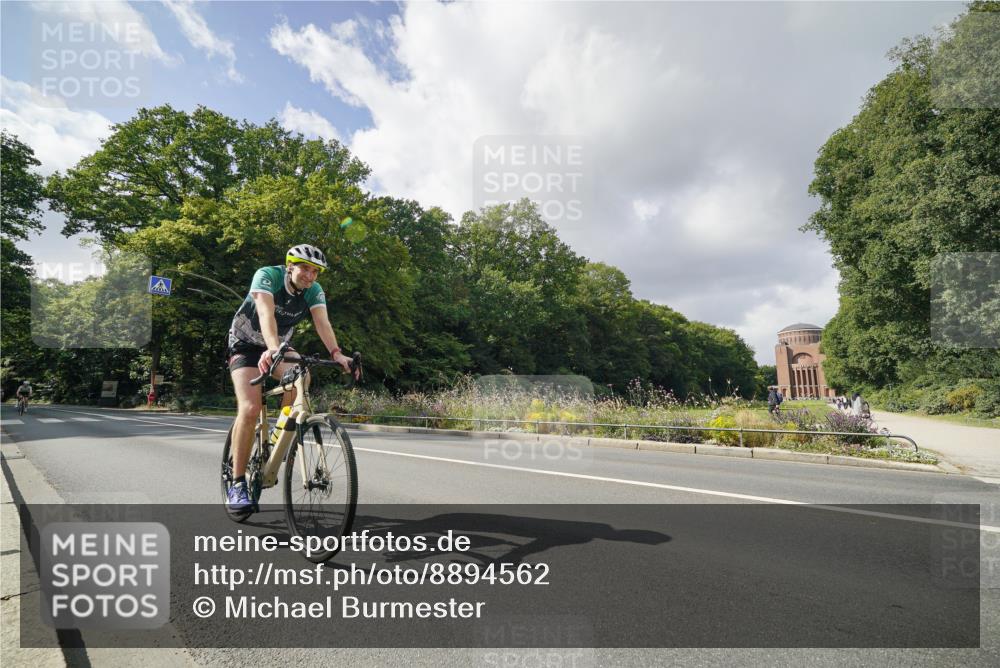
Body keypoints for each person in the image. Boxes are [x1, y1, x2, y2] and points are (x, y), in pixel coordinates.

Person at [224, 245, 357, 514]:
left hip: (279, 346)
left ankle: (279, 434)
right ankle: (237, 484)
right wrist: (271, 347)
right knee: (249, 409)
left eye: (315, 271)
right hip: (246, 345)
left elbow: (322, 323)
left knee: (302, 376)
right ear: (290, 266)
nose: (310, 275)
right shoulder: (267, 276)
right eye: (305, 268)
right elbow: (265, 313)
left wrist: (337, 353)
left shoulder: (313, 291)